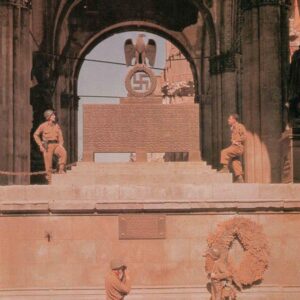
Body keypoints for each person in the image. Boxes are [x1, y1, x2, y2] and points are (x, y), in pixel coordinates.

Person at [33, 109, 67, 182]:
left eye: (54, 115)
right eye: (53, 115)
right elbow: (35, 135)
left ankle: (61, 170)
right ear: (48, 117)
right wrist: (40, 145)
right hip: (47, 146)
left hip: (56, 144)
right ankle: (49, 179)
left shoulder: (57, 126)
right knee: (48, 163)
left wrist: (61, 144)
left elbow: (60, 136)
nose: (54, 116)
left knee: (63, 153)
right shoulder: (43, 125)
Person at [219, 114, 246, 183]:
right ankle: (239, 178)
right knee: (235, 161)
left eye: (230, 119)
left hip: (238, 147)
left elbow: (245, 136)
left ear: (234, 120)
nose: (228, 120)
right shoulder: (233, 128)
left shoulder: (240, 126)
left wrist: (237, 141)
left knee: (224, 152)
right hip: (235, 146)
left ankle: (225, 168)